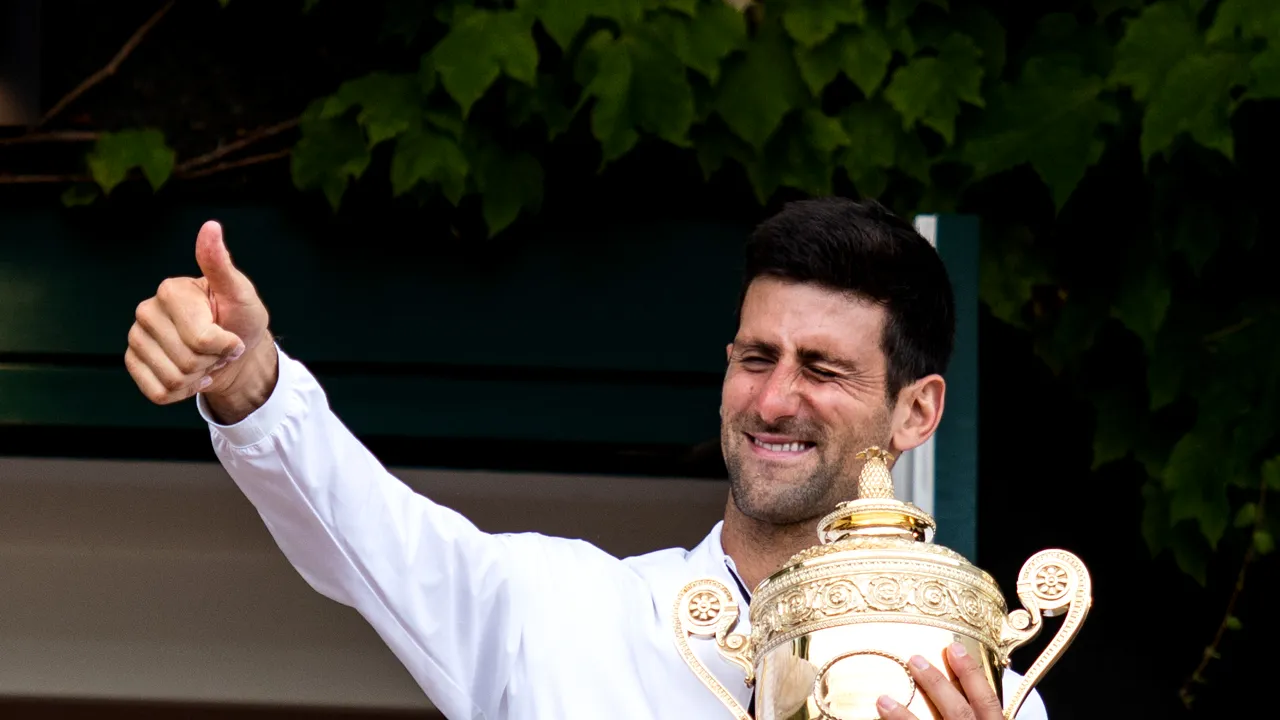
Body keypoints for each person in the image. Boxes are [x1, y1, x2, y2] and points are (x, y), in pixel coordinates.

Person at [124, 197, 1048, 720]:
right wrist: (249, 384)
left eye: (824, 370)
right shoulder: (562, 615)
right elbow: (365, 528)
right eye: (756, 358)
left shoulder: (979, 682)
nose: (773, 401)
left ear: (915, 411)